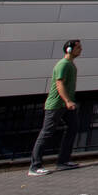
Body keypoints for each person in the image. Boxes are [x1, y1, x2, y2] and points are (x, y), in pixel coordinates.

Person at [28, 40, 83, 176]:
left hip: (65, 105)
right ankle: (34, 167)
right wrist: (68, 101)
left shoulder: (71, 65)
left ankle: (63, 161)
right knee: (46, 133)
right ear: (69, 50)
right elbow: (59, 84)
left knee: (73, 128)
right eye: (78, 47)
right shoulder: (63, 65)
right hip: (56, 105)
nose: (81, 49)